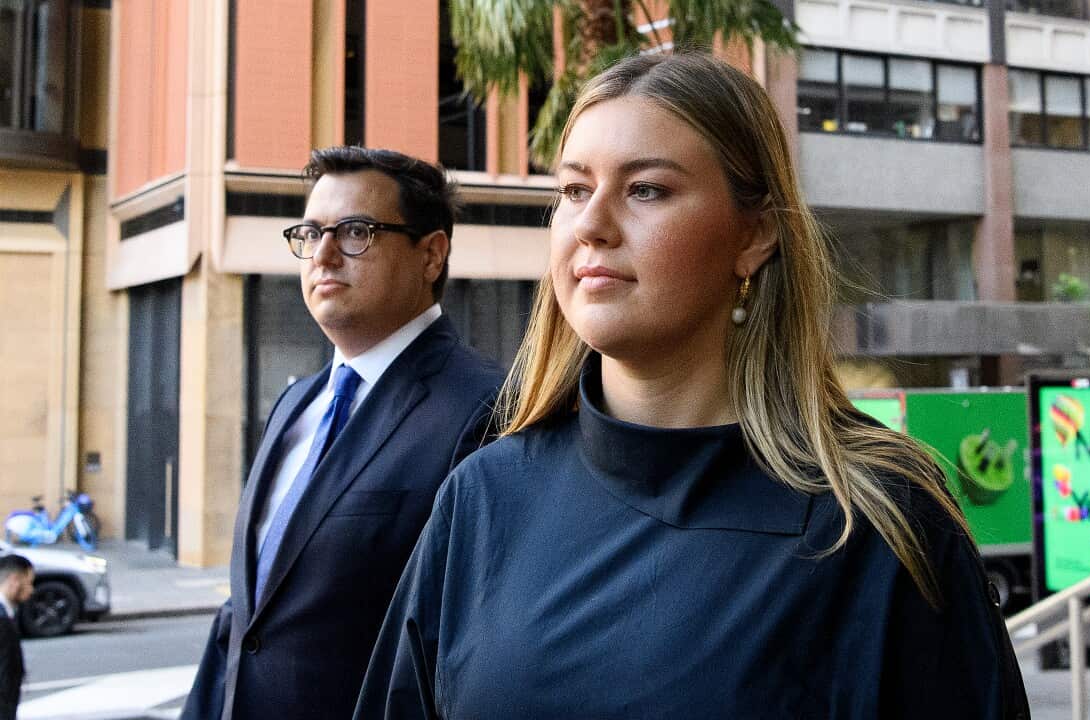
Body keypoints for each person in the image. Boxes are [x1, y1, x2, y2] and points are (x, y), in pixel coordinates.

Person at [354, 53, 1029, 719]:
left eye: (645, 189)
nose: (591, 226)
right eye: (573, 190)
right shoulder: (482, 498)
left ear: (755, 233)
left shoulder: (880, 521)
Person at [180, 147, 503, 720]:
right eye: (310, 232)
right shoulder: (293, 404)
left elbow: (478, 651)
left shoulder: (486, 409)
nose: (324, 254)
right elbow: (247, 619)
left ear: (431, 254)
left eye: (355, 231)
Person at [0, 554, 33, 720]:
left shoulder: (8, 613)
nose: (31, 590)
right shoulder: (2, 620)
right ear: (15, 580)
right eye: (29, 583)